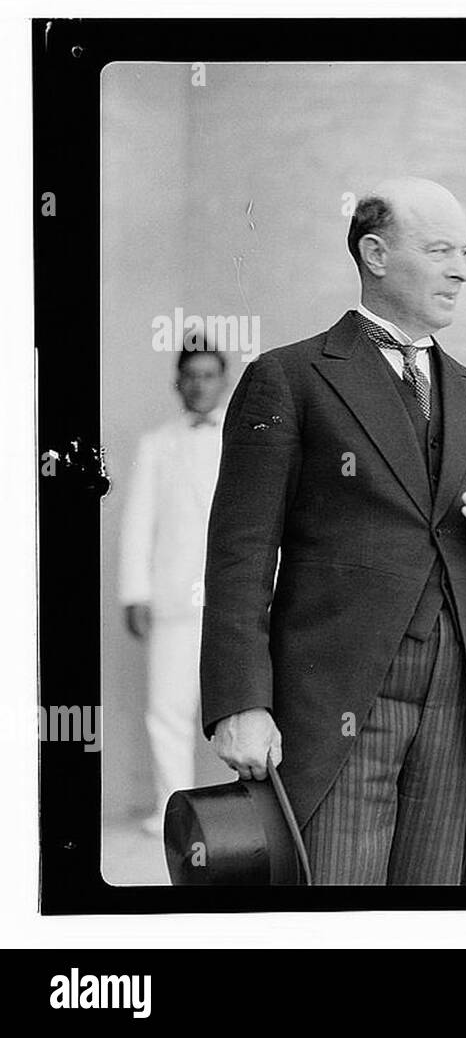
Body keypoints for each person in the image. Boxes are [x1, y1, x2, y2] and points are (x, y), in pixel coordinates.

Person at [200, 177, 466, 885]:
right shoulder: (288, 378)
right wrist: (241, 702)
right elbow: (240, 554)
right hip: (337, 707)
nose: (461, 269)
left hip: (455, 709)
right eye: (441, 249)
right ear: (376, 253)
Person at [119, 336, 228, 836]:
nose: (200, 385)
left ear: (223, 380)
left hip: (234, 600)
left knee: (242, 705)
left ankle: (251, 817)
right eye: (191, 376)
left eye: (209, 375)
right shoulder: (156, 444)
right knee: (167, 709)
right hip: (172, 597)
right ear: (177, 383)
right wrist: (134, 592)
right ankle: (172, 811)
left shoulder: (247, 437)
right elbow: (138, 522)